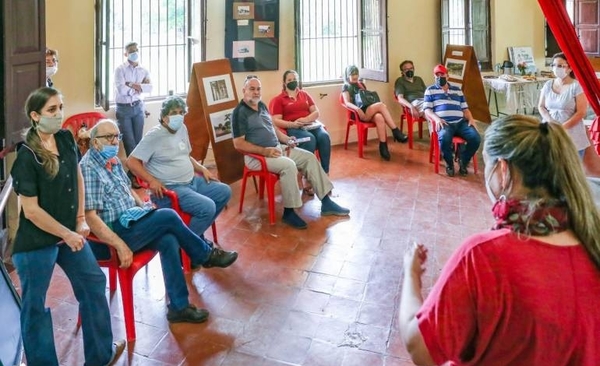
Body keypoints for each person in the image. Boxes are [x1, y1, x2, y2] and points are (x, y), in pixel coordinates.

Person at [399, 115, 600, 365]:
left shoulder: (483, 255)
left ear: (503, 171)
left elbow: (419, 347)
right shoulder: (591, 239)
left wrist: (411, 275)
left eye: (488, 167)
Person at [80, 119, 238, 324]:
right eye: (108, 137)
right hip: (113, 234)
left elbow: (128, 191)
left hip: (131, 221)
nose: (114, 142)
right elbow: (90, 218)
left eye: (117, 137)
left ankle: (179, 308)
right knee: (169, 216)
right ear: (95, 143)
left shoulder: (114, 162)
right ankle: (204, 254)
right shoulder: (89, 168)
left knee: (168, 239)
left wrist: (142, 208)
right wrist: (118, 245)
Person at [10, 87, 124, 366]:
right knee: (35, 306)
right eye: (52, 110)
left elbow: (78, 176)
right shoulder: (27, 156)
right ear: (35, 116)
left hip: (69, 234)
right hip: (37, 241)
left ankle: (100, 356)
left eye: (60, 107)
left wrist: (80, 220)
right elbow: (32, 211)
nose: (59, 115)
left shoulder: (65, 138)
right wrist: (67, 233)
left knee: (93, 282)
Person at [232, 76, 350, 229]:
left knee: (309, 157)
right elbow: (238, 144)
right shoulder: (239, 112)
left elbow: (273, 129)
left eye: (258, 89)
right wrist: (264, 151)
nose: (256, 92)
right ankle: (289, 212)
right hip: (258, 157)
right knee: (289, 166)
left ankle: (326, 203)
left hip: (277, 149)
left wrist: (287, 140)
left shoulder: (261, 105)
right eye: (252, 89)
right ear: (244, 90)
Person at [126, 96, 232, 242]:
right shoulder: (154, 135)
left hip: (192, 181)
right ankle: (187, 246)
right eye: (174, 112)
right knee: (207, 208)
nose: (179, 116)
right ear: (164, 117)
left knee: (224, 191)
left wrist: (202, 169)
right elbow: (131, 162)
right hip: (171, 189)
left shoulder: (182, 128)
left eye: (182, 112)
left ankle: (192, 236)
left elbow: (186, 155)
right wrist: (151, 181)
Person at [270, 70, 332, 176]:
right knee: (310, 139)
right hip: (294, 128)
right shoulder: (279, 100)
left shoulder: (304, 94)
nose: (293, 81)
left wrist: (306, 119)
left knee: (324, 137)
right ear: (284, 83)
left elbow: (316, 112)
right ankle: (308, 176)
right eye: (289, 80)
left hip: (310, 124)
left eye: (295, 79)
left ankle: (324, 174)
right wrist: (292, 124)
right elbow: (276, 120)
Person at [423, 64, 481, 177]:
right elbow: (427, 110)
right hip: (444, 123)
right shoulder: (430, 90)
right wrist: (437, 119)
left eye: (442, 74)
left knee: (476, 138)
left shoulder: (457, 90)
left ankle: (463, 162)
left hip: (460, 122)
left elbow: (465, 109)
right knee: (444, 139)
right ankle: (449, 164)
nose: (440, 77)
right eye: (437, 75)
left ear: (447, 76)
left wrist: (471, 119)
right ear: (434, 77)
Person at [341, 65, 407, 161]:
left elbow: (366, 99)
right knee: (381, 105)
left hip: (367, 110)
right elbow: (347, 102)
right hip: (358, 114)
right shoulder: (345, 86)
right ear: (347, 75)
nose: (355, 76)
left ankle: (383, 146)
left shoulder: (361, 84)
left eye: (356, 73)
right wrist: (358, 110)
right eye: (352, 74)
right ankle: (395, 131)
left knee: (379, 117)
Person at [114, 41, 152, 187]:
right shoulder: (120, 70)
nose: (134, 52)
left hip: (138, 108)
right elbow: (121, 90)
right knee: (130, 143)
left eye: (136, 50)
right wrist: (138, 88)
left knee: (139, 143)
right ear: (125, 54)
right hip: (123, 109)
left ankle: (135, 174)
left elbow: (149, 88)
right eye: (131, 51)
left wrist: (130, 84)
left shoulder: (143, 70)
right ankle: (135, 176)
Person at [538, 52, 589, 158]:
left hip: (572, 134)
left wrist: (561, 127)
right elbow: (541, 106)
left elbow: (581, 112)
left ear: (569, 68)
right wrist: (550, 121)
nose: (556, 68)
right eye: (554, 65)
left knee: (571, 171)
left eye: (560, 66)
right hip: (550, 131)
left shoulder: (576, 86)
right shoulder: (548, 85)